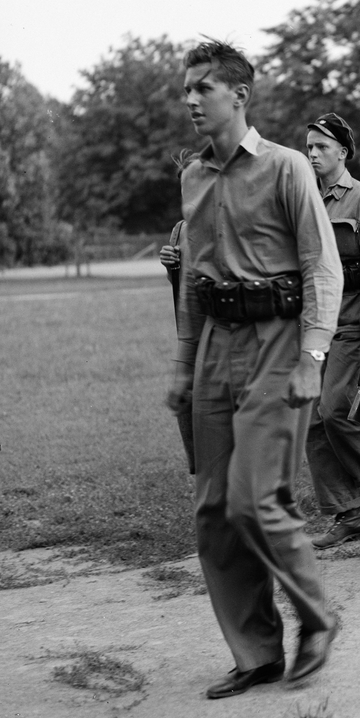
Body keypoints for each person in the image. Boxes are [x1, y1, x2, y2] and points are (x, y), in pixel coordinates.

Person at [166, 39, 342, 698]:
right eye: (187, 89)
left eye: (203, 88)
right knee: (213, 510)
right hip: (217, 345)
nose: (191, 100)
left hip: (277, 342)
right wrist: (184, 365)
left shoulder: (286, 167)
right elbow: (194, 278)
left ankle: (318, 618)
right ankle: (258, 651)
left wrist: (313, 357)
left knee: (254, 499)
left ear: (239, 95)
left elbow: (322, 265)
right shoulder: (193, 177)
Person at [302, 113, 360, 549]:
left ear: (342, 152)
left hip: (353, 320)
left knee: (336, 410)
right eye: (309, 147)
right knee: (311, 419)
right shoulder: (303, 198)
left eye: (321, 146)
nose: (313, 154)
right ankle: (350, 513)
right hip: (312, 324)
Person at [160, 150, 196, 476]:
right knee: (187, 402)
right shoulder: (180, 230)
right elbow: (181, 285)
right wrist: (170, 265)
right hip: (191, 335)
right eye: (185, 188)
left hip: (225, 336)